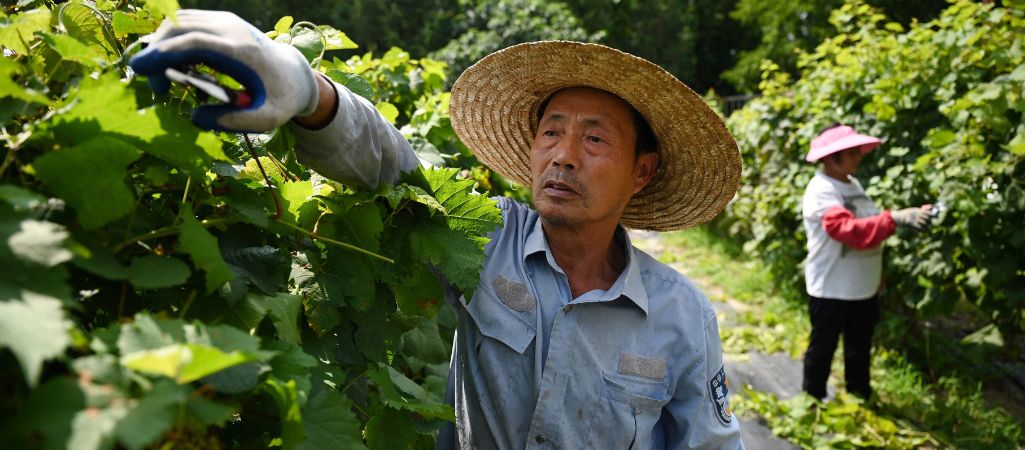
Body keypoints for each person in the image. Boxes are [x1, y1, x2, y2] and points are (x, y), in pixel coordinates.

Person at [130, 10, 745, 448]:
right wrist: (310, 93)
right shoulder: (484, 239)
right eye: (551, 131)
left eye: (594, 139)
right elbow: (396, 170)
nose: (563, 155)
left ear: (642, 172)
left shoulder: (682, 315)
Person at [800, 124, 931, 401]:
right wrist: (895, 218)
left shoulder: (852, 184)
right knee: (823, 347)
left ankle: (860, 395)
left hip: (863, 287)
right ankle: (812, 399)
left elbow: (868, 227)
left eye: (858, 151)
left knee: (860, 346)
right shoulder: (821, 190)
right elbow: (848, 231)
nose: (859, 156)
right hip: (831, 287)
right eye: (852, 152)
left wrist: (877, 274)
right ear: (832, 157)